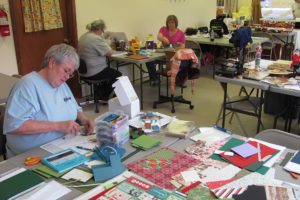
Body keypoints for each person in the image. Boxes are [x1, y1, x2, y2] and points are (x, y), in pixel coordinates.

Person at [3, 44, 95, 157]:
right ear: (52, 63)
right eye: (66, 71)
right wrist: (58, 126)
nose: (67, 77)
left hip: (63, 145)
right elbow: (15, 125)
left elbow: (74, 107)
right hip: (30, 156)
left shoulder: (61, 84)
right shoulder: (27, 86)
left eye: (70, 74)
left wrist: (84, 119)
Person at [78, 19, 122, 100]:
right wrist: (109, 41)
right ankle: (105, 95)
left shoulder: (84, 36)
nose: (102, 33)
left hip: (83, 71)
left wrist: (107, 40)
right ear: (99, 29)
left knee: (109, 72)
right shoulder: (95, 38)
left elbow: (100, 44)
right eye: (102, 30)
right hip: (94, 72)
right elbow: (109, 52)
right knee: (118, 74)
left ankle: (100, 91)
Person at [146, 15, 186, 86]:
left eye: (172, 23)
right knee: (149, 61)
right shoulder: (163, 29)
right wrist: (163, 38)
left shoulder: (181, 33)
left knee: (182, 62)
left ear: (176, 23)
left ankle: (180, 80)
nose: (171, 24)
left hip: (173, 55)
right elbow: (159, 36)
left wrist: (177, 48)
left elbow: (183, 47)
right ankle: (155, 78)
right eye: (169, 23)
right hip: (163, 53)